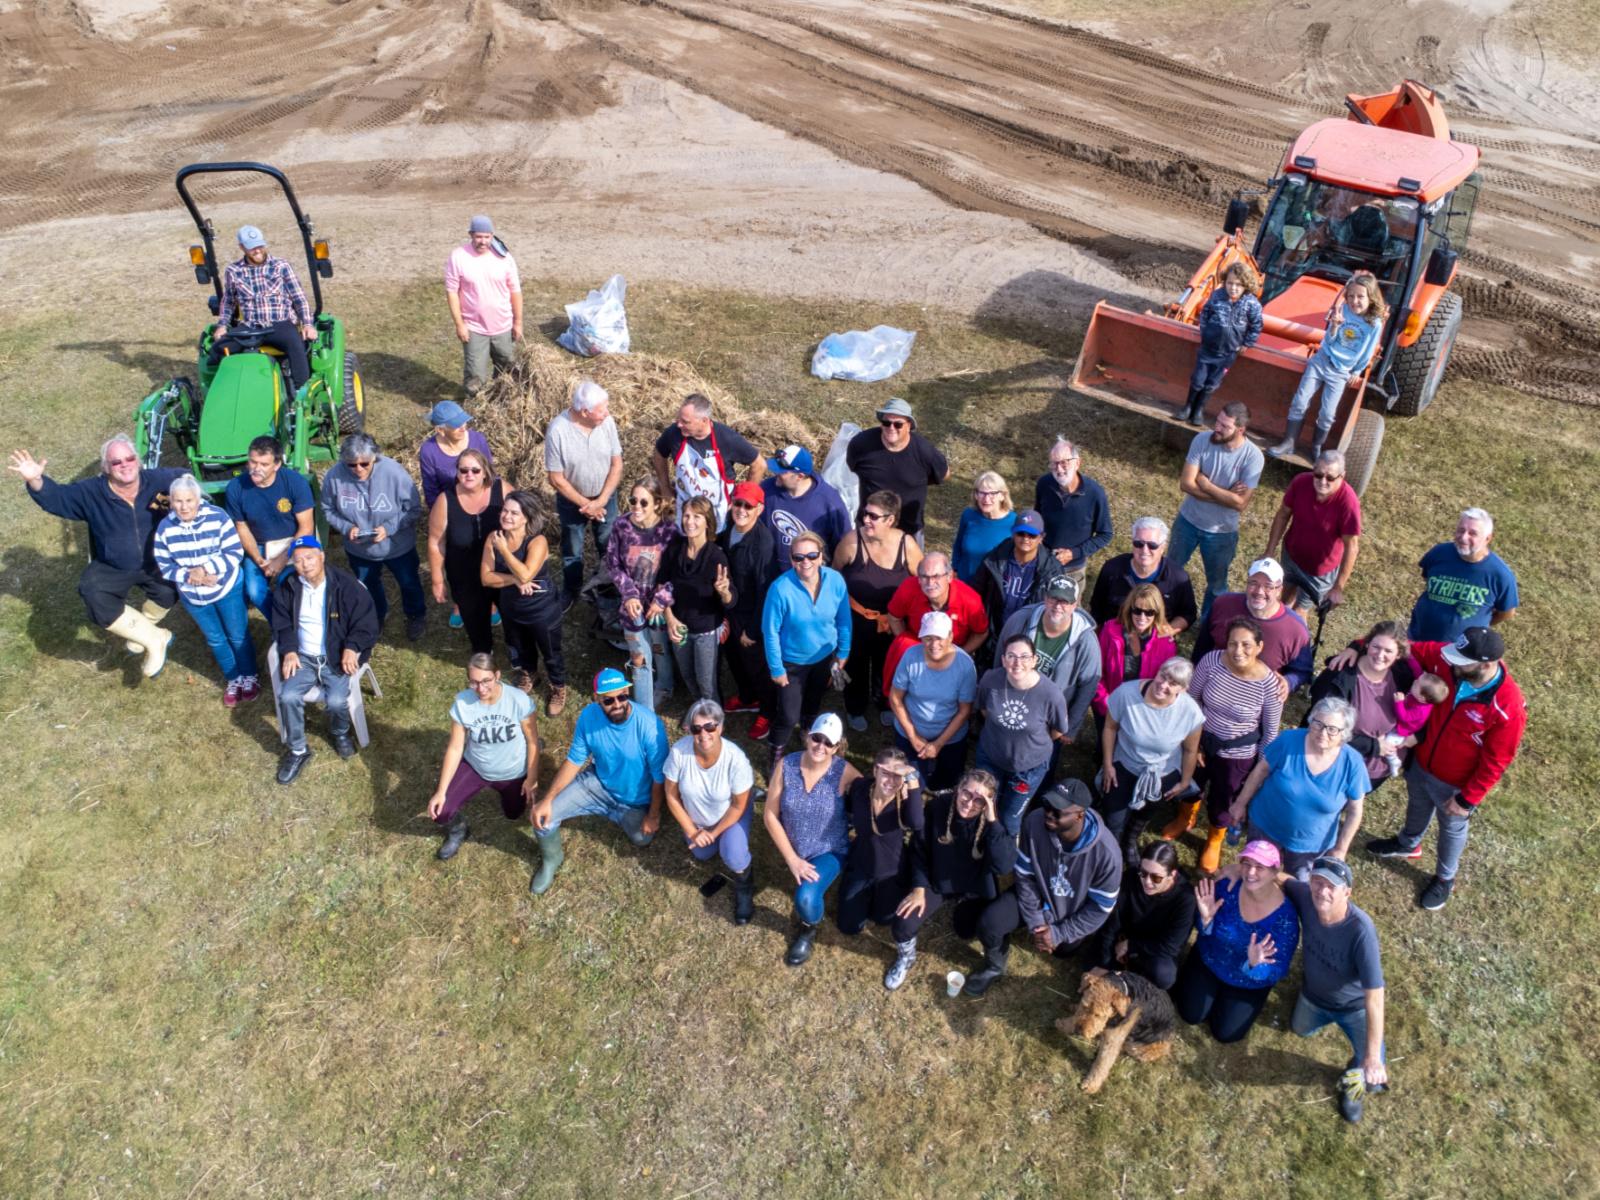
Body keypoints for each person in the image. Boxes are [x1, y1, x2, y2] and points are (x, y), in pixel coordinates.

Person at [1363, 626, 1528, 911]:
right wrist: (1356, 647)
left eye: (1461, 661)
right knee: (1417, 804)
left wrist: (1467, 799)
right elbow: (1406, 646)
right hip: (1422, 764)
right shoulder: (1447, 659)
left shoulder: (1508, 706)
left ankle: (1444, 877)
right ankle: (1408, 843)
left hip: (1456, 785)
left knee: (1451, 829)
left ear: (1486, 665)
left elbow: (1497, 760)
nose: (1451, 663)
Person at [10, 438, 184, 677]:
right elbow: (58, 498)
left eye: (130, 458)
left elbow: (191, 482)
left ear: (138, 461)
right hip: (114, 565)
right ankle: (155, 639)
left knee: (169, 591)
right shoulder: (91, 492)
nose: (125, 465)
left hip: (157, 561)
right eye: (116, 462)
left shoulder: (161, 481)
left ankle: (143, 627)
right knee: (93, 593)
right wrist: (36, 480)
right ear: (105, 468)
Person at [962, 780, 1122, 997]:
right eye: (1047, 806)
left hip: (1070, 912)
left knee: (1064, 951)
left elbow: (1100, 908)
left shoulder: (1108, 855)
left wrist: (1059, 933)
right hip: (1037, 896)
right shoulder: (1034, 821)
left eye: (1057, 811)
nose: (1048, 814)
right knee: (989, 923)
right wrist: (1036, 921)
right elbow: (1025, 875)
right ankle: (994, 967)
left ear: (1079, 815)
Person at [528, 668, 670, 895]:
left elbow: (659, 777)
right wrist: (548, 799)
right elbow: (574, 760)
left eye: (622, 696)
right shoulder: (588, 716)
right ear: (596, 699)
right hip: (597, 785)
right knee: (543, 817)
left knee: (642, 839)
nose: (617, 704)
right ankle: (551, 860)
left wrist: (653, 815)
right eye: (608, 700)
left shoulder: (650, 726)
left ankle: (618, 813)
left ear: (627, 692)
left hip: (635, 801)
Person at [886, 769, 1016, 991]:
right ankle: (906, 958)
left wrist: (993, 821)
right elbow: (918, 850)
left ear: (988, 803)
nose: (969, 803)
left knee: (965, 930)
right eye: (966, 794)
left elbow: (1004, 866)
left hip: (974, 886)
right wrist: (918, 887)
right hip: (938, 882)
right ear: (958, 789)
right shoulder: (937, 807)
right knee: (902, 924)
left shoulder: (992, 821)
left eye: (979, 800)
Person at [1283, 856, 1388, 1124]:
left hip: (1354, 1007)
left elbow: (1375, 997)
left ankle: (1353, 1086)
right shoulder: (1307, 897)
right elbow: (1282, 878)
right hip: (1313, 997)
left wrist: (1373, 1058)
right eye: (1317, 882)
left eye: (1332, 886)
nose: (1322, 890)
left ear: (1347, 893)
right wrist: (1239, 870)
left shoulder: (1361, 931)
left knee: (1370, 1070)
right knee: (1299, 1030)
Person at [1176, 617, 1284, 872]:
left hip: (1238, 754)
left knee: (1223, 799)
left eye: (1246, 645)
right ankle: (1184, 817)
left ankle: (1214, 839)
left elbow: (1270, 732)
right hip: (1200, 742)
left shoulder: (1269, 686)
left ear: (1259, 647)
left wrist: (1258, 770)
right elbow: (1192, 700)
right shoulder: (1212, 661)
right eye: (1233, 644)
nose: (1238, 651)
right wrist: (1194, 743)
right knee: (1191, 783)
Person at [269, 535, 379, 784]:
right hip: (304, 658)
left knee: (338, 700)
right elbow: (282, 624)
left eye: (310, 557)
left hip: (336, 656)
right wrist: (289, 650)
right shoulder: (288, 588)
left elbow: (367, 623)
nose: (305, 564)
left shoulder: (346, 585)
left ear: (322, 556)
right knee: (287, 696)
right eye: (298, 561)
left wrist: (352, 647)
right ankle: (298, 749)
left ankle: (340, 733)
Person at [1225, 697, 1370, 878]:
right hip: (1265, 827)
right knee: (1256, 875)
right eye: (1318, 724)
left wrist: (1340, 849)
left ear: (1344, 733)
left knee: (1295, 886)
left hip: (1310, 846)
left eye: (1332, 729)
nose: (1323, 733)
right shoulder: (1288, 740)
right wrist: (1240, 804)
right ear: (1310, 721)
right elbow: (1260, 770)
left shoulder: (1353, 763)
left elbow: (1355, 811)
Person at [1173, 840, 1300, 1043]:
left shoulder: (1285, 921)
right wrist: (1205, 920)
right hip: (1210, 960)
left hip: (1247, 982)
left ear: (1275, 872)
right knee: (1190, 1015)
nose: (1250, 873)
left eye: (1260, 867)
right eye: (1246, 864)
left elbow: (1278, 970)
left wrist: (1253, 965)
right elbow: (1204, 933)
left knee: (1225, 1034)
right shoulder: (1227, 886)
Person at [762, 714, 860, 967]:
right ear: (808, 736)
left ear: (837, 747)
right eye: (817, 738)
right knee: (804, 888)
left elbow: (874, 793)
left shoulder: (844, 772)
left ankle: (808, 929)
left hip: (830, 849)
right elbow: (770, 814)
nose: (821, 746)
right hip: (796, 849)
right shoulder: (787, 765)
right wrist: (792, 860)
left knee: (805, 898)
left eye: (829, 743)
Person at [152, 473, 258, 704]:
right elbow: (164, 564)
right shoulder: (165, 528)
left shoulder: (218, 517)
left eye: (189, 500)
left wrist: (207, 569)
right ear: (171, 501)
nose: (184, 506)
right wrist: (191, 575)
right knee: (216, 639)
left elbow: (234, 552)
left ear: (198, 500)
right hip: (194, 595)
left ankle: (250, 675)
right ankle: (234, 678)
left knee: (237, 634)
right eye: (178, 501)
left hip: (225, 587)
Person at [426, 654, 539, 862]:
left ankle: (508, 793)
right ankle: (459, 830)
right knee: (441, 811)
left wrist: (531, 779)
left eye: (486, 680)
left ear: (497, 675)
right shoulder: (462, 703)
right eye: (474, 682)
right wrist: (441, 792)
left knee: (514, 813)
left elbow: (532, 742)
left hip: (512, 772)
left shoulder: (518, 700)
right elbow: (455, 747)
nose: (480, 688)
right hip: (475, 767)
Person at [1270, 272, 1387, 460]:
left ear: (1371, 297)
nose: (1354, 301)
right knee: (1300, 401)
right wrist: (1333, 326)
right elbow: (1329, 340)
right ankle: (1289, 442)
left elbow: (1367, 351)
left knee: (1327, 413)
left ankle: (1316, 447)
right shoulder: (1343, 310)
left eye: (1360, 297)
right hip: (1322, 360)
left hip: (1341, 371)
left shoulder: (1374, 323)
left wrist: (1357, 370)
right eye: (1350, 296)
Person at [320, 434, 425, 641]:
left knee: (408, 582)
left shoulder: (394, 472)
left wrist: (389, 528)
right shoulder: (334, 477)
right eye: (351, 465)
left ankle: (416, 615)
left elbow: (413, 508)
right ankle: (377, 615)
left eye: (364, 464)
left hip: (398, 547)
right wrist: (346, 526)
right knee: (368, 585)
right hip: (359, 550)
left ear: (375, 458)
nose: (358, 469)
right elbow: (327, 509)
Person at [1100, 658, 1204, 865]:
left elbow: (1190, 750)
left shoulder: (1191, 713)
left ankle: (1131, 839)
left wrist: (1184, 782)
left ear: (1183, 689)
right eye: (1162, 676)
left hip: (1162, 772)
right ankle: (1110, 851)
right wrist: (1108, 764)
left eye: (1173, 683)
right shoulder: (1126, 693)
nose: (1163, 685)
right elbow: (1110, 728)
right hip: (1125, 764)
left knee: (1146, 811)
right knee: (1114, 817)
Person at [834, 490, 921, 732]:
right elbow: (834, 574)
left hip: (891, 621)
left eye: (873, 516)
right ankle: (855, 707)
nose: (866, 520)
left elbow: (922, 580)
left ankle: (884, 703)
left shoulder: (907, 545)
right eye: (865, 514)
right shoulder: (852, 542)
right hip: (857, 619)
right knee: (855, 665)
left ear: (890, 520)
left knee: (888, 664)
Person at [663, 699, 757, 924]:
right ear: (689, 730)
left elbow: (736, 805)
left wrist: (713, 834)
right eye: (696, 728)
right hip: (699, 821)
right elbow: (671, 796)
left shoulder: (736, 759)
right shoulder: (679, 753)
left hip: (732, 813)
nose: (703, 734)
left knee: (732, 854)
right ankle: (709, 839)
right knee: (702, 853)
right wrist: (693, 831)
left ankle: (745, 884)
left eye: (710, 727)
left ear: (721, 727)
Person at [1168, 402, 1264, 622]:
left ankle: (1208, 624)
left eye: (1224, 425)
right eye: (1218, 421)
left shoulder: (1253, 457)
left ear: (1240, 430)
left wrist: (1207, 484)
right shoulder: (1202, 440)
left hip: (1221, 533)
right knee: (1170, 571)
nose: (1216, 427)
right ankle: (1166, 610)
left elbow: (1240, 504)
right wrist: (1225, 495)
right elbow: (1186, 484)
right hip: (1188, 522)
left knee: (1217, 585)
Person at [761, 530, 851, 762]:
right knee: (789, 716)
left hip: (824, 657)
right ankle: (777, 751)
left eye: (812, 555)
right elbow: (770, 632)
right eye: (798, 557)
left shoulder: (836, 581)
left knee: (814, 701)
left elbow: (843, 618)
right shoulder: (780, 589)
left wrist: (843, 651)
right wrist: (776, 669)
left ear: (822, 556)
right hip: (792, 662)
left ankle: (808, 734)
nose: (805, 562)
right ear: (791, 560)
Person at [974, 634, 1071, 836]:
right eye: (1011, 656)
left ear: (1035, 660)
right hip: (991, 757)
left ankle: (1003, 855)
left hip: (1028, 768)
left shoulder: (1051, 694)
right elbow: (984, 711)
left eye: (1025, 657)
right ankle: (978, 842)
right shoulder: (990, 680)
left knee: (1010, 818)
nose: (1017, 663)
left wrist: (1030, 743)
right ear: (1003, 659)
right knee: (983, 804)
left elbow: (1058, 730)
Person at [482, 490, 567, 716]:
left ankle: (558, 686)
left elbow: (527, 574)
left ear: (526, 518)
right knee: (519, 645)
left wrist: (503, 552)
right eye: (505, 511)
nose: (507, 516)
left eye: (514, 513)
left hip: (542, 610)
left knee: (550, 651)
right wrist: (513, 580)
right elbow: (486, 577)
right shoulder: (494, 537)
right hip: (511, 607)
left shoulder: (537, 541)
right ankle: (530, 673)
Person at [1307, 621, 1420, 787]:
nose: (1380, 655)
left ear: (1398, 655)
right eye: (1376, 647)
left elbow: (1425, 707)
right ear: (1366, 644)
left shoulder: (1404, 677)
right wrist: (1373, 746)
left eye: (1388, 651)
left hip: (1376, 773)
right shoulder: (1339, 676)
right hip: (1336, 768)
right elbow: (1319, 726)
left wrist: (1417, 736)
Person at [996, 576, 1101, 752]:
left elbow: (1089, 685)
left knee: (1041, 765)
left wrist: (1071, 726)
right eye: (1054, 598)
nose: (1058, 606)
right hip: (1013, 704)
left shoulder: (1086, 640)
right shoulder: (1020, 620)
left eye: (1065, 601)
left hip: (1050, 719)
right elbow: (1000, 657)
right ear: (1045, 598)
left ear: (1075, 605)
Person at [544, 380, 623, 614]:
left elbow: (616, 465)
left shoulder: (606, 422)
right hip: (572, 503)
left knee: (608, 544)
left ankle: (608, 586)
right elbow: (556, 478)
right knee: (572, 549)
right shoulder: (558, 430)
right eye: (601, 410)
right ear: (585, 412)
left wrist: (600, 501)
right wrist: (586, 504)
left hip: (605, 497)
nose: (607, 413)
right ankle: (572, 589)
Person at [604, 477, 680, 711]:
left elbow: (679, 573)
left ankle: (665, 686)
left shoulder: (669, 532)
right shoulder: (621, 526)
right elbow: (613, 564)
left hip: (657, 607)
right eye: (633, 500)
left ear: (657, 504)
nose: (636, 506)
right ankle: (644, 709)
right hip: (632, 606)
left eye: (643, 502)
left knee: (659, 648)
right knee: (638, 655)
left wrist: (662, 599)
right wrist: (628, 594)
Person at [1191, 558, 1313, 700]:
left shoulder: (1296, 629)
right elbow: (1202, 647)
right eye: (1253, 583)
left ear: (1279, 590)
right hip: (1213, 687)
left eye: (1268, 586)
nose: (1259, 591)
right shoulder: (1223, 604)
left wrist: (1288, 682)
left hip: (1254, 701)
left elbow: (1302, 671)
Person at [211, 224, 315, 391]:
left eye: (259, 245)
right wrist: (222, 325)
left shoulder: (281, 266)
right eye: (252, 248)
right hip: (250, 327)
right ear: (242, 248)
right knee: (217, 350)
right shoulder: (234, 270)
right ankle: (226, 391)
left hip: (279, 324)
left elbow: (299, 297)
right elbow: (228, 300)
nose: (257, 251)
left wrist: (308, 324)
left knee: (297, 348)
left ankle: (300, 395)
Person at [224, 435, 315, 618]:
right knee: (255, 592)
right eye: (252, 462)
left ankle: (298, 619)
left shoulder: (295, 483)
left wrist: (282, 559)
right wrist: (259, 559)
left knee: (289, 584)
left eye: (264, 464)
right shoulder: (236, 487)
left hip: (291, 540)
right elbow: (241, 527)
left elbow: (306, 528)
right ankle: (280, 624)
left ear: (277, 464)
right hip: (258, 544)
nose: (256, 469)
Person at [837, 747, 924, 938]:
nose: (891, 782)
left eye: (897, 776)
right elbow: (849, 807)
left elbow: (917, 823)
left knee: (884, 919)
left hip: (890, 872)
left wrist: (912, 778)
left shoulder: (906, 801)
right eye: (886, 773)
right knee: (848, 926)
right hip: (861, 864)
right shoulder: (860, 788)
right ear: (876, 770)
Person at [888, 611, 979, 791]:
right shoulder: (910, 657)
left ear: (951, 636)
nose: (934, 644)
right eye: (928, 638)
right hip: (910, 732)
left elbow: (964, 711)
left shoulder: (965, 665)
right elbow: (895, 697)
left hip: (950, 737)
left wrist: (938, 744)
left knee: (946, 784)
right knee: (910, 785)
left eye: (939, 638)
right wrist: (913, 736)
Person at [1089, 839, 1196, 990]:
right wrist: (1104, 964)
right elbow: (1112, 922)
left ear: (1172, 875)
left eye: (1156, 878)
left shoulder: (1186, 899)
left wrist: (1131, 946)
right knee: (1092, 963)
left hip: (1154, 949)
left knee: (1163, 975)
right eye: (1143, 873)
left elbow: (1171, 946)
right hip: (1122, 937)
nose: (1147, 882)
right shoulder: (1130, 877)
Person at [1263, 450, 1362, 613]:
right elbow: (1283, 514)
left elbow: (1352, 547)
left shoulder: (1348, 503)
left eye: (1330, 477)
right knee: (1281, 600)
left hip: (1319, 572)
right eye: (1318, 474)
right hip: (1291, 557)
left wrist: (1337, 587)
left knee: (1300, 611)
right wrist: (1269, 550)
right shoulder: (1300, 482)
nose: (1322, 481)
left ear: (1342, 476)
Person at [659, 495, 736, 704]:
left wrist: (724, 591)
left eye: (697, 517)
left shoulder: (716, 557)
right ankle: (698, 709)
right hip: (680, 627)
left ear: (708, 522)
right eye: (686, 516)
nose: (690, 521)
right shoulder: (674, 550)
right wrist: (670, 618)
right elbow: (662, 586)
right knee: (688, 676)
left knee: (707, 683)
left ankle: (713, 721)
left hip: (706, 630)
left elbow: (731, 600)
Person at [426, 449, 502, 656]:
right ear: (457, 473)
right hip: (464, 573)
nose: (469, 474)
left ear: (485, 472)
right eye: (464, 470)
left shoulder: (502, 491)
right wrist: (437, 580)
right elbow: (435, 542)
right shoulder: (445, 500)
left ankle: (518, 652)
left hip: (500, 569)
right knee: (473, 617)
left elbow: (522, 521)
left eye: (475, 470)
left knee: (512, 610)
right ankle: (484, 650)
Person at [652, 394, 765, 532]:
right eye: (679, 419)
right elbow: (658, 454)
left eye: (685, 421)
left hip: (716, 514)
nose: (679, 424)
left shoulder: (727, 439)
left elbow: (759, 464)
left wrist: (744, 498)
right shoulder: (675, 433)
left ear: (704, 420)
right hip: (684, 508)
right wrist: (665, 488)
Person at [718, 482, 778, 742]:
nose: (741, 510)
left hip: (751, 613)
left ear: (759, 509)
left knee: (756, 665)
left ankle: (767, 710)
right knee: (733, 656)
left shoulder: (763, 544)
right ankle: (746, 696)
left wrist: (752, 630)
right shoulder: (730, 527)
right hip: (730, 606)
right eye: (738, 503)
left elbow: (765, 592)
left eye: (748, 506)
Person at [884, 550, 989, 693]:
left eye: (936, 576)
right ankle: (894, 696)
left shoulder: (970, 600)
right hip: (919, 644)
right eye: (925, 577)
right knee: (903, 644)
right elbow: (894, 617)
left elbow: (981, 633)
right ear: (918, 578)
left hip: (952, 649)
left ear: (950, 576)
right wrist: (912, 651)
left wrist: (960, 654)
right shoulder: (909, 588)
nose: (930, 582)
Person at [845, 397, 949, 541]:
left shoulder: (924, 451)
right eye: (886, 423)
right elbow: (852, 467)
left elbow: (944, 473)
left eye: (898, 424)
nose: (891, 428)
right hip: (870, 526)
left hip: (908, 530)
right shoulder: (862, 444)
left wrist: (917, 482)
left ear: (909, 425)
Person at [1408, 508, 1519, 641]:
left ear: (1487, 538)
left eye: (1473, 533)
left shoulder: (1500, 574)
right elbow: (1427, 577)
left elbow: (1507, 613)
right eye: (1461, 530)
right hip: (1416, 638)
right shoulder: (1439, 553)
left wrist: (1478, 626)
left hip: (1459, 652)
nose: (1463, 537)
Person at [444, 215, 522, 396]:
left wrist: (517, 323)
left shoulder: (504, 258)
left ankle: (502, 400)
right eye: (478, 237)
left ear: (492, 236)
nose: (483, 241)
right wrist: (459, 324)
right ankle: (474, 408)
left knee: (508, 370)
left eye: (487, 237)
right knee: (475, 378)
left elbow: (515, 291)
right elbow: (452, 292)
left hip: (503, 326)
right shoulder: (458, 257)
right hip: (474, 328)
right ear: (471, 235)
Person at [1178, 261, 1263, 424]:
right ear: (1225, 282)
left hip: (1228, 353)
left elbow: (1257, 325)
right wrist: (1205, 332)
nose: (1233, 288)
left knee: (1211, 384)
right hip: (1208, 348)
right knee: (1198, 379)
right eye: (1230, 283)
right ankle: (1188, 407)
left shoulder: (1252, 304)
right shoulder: (1217, 296)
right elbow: (1205, 313)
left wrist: (1247, 343)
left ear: (1246, 285)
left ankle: (1199, 410)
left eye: (1238, 285)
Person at [1087, 515, 1198, 634]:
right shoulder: (1112, 569)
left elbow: (1188, 614)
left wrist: (1165, 633)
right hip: (1114, 637)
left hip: (1154, 641)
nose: (1145, 550)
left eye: (1152, 545)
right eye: (1139, 543)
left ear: (1163, 547)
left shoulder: (1178, 578)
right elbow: (1097, 609)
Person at [1091, 584, 1180, 725]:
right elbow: (1095, 671)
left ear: (1157, 613)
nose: (1142, 617)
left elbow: (1165, 684)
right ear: (1129, 608)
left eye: (1149, 612)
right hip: (1108, 707)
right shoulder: (1110, 630)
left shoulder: (1166, 644)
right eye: (1137, 610)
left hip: (1142, 715)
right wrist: (1106, 705)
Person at [975, 509, 1070, 639]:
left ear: (1041, 537)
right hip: (994, 634)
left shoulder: (1052, 570)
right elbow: (977, 593)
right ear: (1013, 534)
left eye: (1032, 535)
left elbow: (1058, 608)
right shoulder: (994, 560)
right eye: (1021, 533)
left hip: (1030, 638)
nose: (1026, 539)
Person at [759, 444, 851, 571]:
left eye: (782, 471)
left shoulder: (830, 502)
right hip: (769, 575)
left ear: (800, 476)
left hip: (808, 578)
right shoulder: (766, 489)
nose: (776, 473)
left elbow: (844, 544)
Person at [1033, 438, 1112, 586]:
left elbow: (1105, 534)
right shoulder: (1044, 484)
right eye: (1054, 463)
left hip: (1073, 570)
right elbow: (1037, 519)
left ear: (1077, 463)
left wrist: (1074, 553)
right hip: (1042, 563)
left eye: (1064, 462)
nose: (1059, 469)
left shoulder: (1095, 493)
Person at [418, 400, 494, 512]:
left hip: (482, 503)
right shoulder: (429, 451)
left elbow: (490, 475)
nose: (463, 427)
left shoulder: (478, 440)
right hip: (451, 508)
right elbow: (431, 490)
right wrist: (440, 516)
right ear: (441, 430)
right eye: (456, 425)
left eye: (464, 422)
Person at [951, 471, 1017, 586]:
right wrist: (954, 569)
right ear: (976, 495)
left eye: (992, 494)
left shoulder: (1013, 521)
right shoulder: (968, 515)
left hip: (994, 588)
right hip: (965, 583)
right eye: (982, 493)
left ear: (1002, 495)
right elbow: (958, 545)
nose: (986, 499)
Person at [1384, 673, 1448, 779]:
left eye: (1417, 683)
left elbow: (1404, 717)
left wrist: (1399, 703)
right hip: (1401, 725)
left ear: (1422, 698)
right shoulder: (1419, 696)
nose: (1414, 682)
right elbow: (1418, 671)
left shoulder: (1421, 710)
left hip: (1404, 732)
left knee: (1388, 742)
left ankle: (1393, 761)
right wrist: (1410, 659)